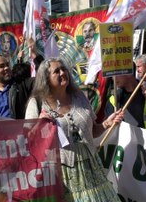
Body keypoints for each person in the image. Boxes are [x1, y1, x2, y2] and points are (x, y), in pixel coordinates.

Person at [25, 57, 123, 201]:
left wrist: (107, 123)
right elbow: (30, 141)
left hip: (92, 167)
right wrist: (41, 124)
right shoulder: (37, 104)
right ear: (45, 78)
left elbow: (92, 132)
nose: (63, 73)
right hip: (62, 173)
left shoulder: (80, 97)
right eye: (56, 71)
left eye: (64, 69)